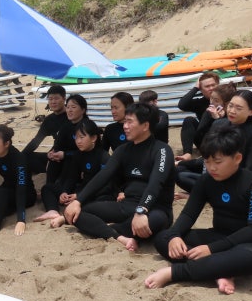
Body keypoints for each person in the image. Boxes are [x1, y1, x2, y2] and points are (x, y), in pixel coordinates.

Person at [145, 126, 252, 295]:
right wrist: (175, 235)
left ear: (237, 158)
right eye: (207, 161)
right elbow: (188, 214)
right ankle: (220, 270)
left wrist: (211, 249)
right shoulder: (206, 181)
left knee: (247, 259)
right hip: (220, 235)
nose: (212, 167)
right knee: (163, 238)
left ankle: (175, 273)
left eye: (218, 162)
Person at [64, 103, 175, 251]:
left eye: (130, 122)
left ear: (145, 125)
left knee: (152, 222)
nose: (125, 126)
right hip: (127, 205)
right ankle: (119, 236)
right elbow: (103, 176)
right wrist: (78, 200)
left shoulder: (162, 150)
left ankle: (110, 229)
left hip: (155, 208)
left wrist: (142, 210)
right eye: (125, 121)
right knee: (80, 212)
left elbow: (156, 183)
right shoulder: (123, 150)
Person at [37, 118, 112, 227]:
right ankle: (53, 210)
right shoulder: (78, 155)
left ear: (94, 138)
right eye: (76, 137)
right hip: (81, 189)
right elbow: (72, 177)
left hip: (97, 192)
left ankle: (66, 216)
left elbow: (107, 185)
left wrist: (79, 196)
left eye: (82, 137)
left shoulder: (103, 156)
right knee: (47, 188)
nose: (78, 141)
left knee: (100, 201)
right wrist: (65, 192)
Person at [175, 83, 236, 196]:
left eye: (216, 100)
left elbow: (220, 145)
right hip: (207, 158)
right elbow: (200, 136)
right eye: (211, 98)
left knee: (185, 168)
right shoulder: (209, 110)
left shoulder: (233, 117)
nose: (212, 102)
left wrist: (219, 120)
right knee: (179, 171)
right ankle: (201, 192)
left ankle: (201, 195)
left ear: (227, 103)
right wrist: (211, 118)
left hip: (221, 165)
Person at [22, 84, 68, 181]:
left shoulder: (71, 116)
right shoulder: (49, 120)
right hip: (53, 155)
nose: (53, 102)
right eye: (50, 99)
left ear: (64, 99)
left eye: (56, 98)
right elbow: (36, 141)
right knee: (26, 157)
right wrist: (20, 156)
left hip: (68, 156)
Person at [211, 89, 252, 172]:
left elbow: (250, 167)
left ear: (251, 112)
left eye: (238, 108)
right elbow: (209, 154)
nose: (232, 111)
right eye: (230, 106)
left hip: (241, 176)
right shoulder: (217, 124)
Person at [176, 72, 219, 162]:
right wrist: (195, 88)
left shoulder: (227, 101)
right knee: (189, 120)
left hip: (222, 138)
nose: (211, 88)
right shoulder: (200, 102)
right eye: (207, 86)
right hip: (204, 140)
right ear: (201, 89)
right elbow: (182, 105)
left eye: (213, 85)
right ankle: (187, 153)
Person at [47, 94, 88, 186]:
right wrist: (51, 153)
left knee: (69, 161)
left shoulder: (87, 127)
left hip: (83, 161)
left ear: (83, 110)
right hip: (64, 159)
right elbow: (58, 145)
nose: (69, 110)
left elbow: (88, 152)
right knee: (54, 160)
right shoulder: (66, 127)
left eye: (73, 107)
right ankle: (50, 186)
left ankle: (63, 188)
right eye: (68, 107)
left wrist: (65, 155)